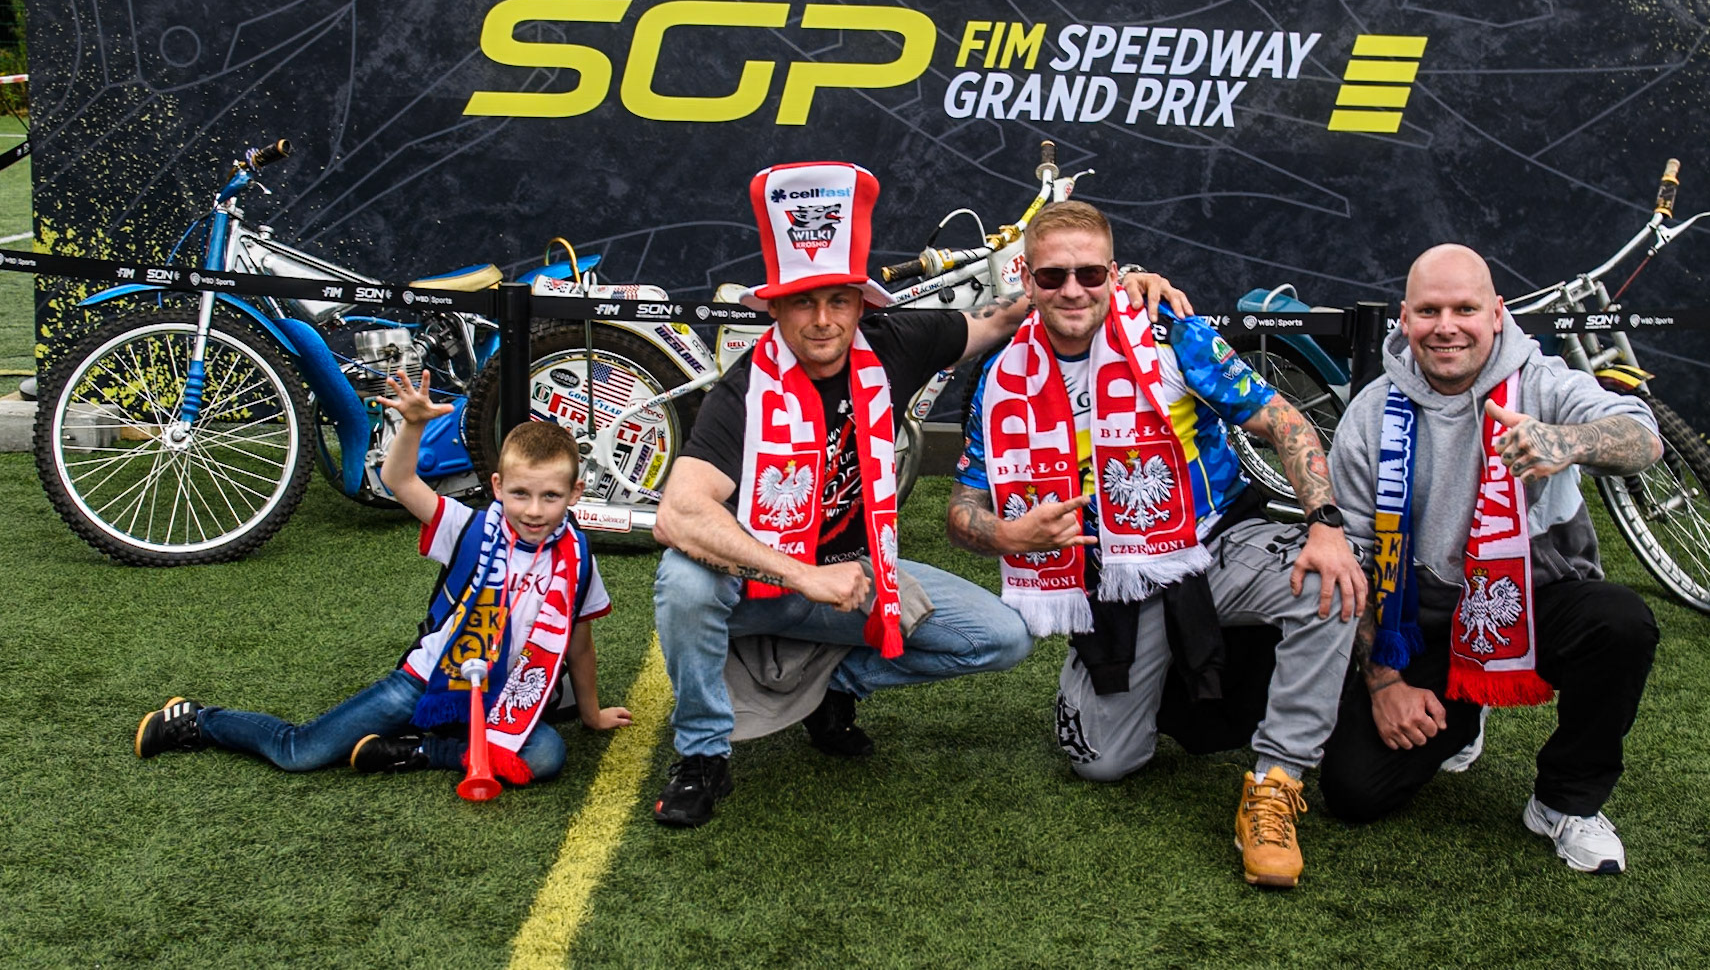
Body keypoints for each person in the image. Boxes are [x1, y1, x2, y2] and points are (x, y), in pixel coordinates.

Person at [650, 160, 1189, 828]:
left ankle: (828, 690)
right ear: (777, 309)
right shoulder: (744, 391)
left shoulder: (895, 343)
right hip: (762, 582)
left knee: (1001, 638)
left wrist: (1127, 281)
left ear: (862, 304)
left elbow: (1024, 309)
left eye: (838, 301)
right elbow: (678, 514)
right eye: (802, 303)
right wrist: (802, 575)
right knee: (684, 582)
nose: (822, 321)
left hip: (857, 576)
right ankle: (702, 753)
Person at [946, 201, 1364, 890]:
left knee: (1326, 581)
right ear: (1027, 279)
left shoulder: (1170, 334)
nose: (1072, 290)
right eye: (1052, 276)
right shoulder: (1000, 373)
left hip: (1214, 545)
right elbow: (963, 507)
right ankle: (1154, 677)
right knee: (1100, 762)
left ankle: (1275, 780)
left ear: (1114, 274)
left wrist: (1324, 522)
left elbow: (1282, 419)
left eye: (1089, 273)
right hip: (1113, 578)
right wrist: (1008, 534)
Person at [1319, 244, 1662, 875]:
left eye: (1465, 309)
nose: (1446, 326)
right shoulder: (1369, 415)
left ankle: (1565, 801)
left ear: (1497, 313)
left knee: (1620, 623)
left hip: (1534, 599)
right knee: (1353, 790)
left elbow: (1643, 437)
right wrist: (1385, 684)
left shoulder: (1541, 381)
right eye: (1429, 311)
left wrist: (1567, 441)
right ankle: (1463, 710)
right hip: (1420, 620)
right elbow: (1355, 560)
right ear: (1404, 318)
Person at [134, 371, 632, 783]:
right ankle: (198, 720)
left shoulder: (577, 558)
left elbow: (579, 643)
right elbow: (400, 481)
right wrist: (412, 426)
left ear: (575, 493)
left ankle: (416, 750)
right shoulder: (468, 527)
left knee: (546, 756)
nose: (534, 510)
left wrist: (591, 714)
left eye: (550, 496)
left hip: (500, 697)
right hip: (427, 680)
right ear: (498, 486)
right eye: (521, 493)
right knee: (299, 752)